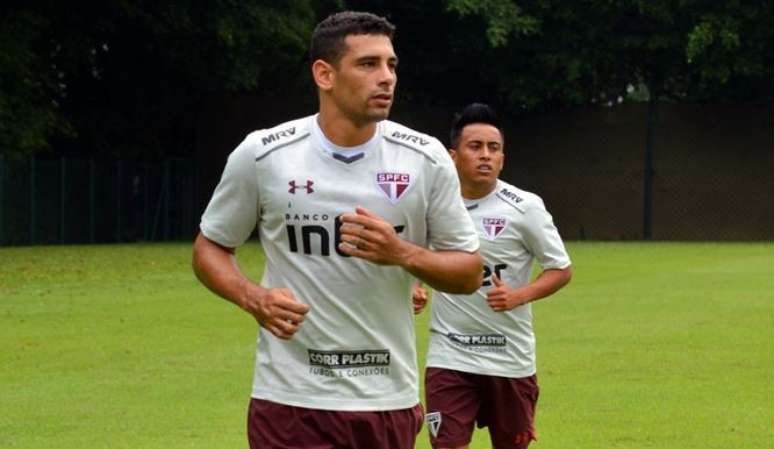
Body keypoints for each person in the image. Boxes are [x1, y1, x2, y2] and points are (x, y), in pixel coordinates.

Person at [192, 11, 483, 449]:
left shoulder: (425, 158)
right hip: (289, 398)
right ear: (324, 74)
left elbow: (469, 272)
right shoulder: (264, 154)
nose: (386, 78)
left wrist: (402, 254)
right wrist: (254, 298)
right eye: (368, 64)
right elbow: (210, 247)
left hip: (385, 398)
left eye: (391, 65)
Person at [414, 103, 572, 449]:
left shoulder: (525, 207)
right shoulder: (432, 206)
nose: (485, 156)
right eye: (475, 147)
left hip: (509, 358)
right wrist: (415, 286)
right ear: (453, 156)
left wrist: (519, 295)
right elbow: (416, 255)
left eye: (493, 148)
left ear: (502, 157)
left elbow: (561, 269)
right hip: (449, 355)